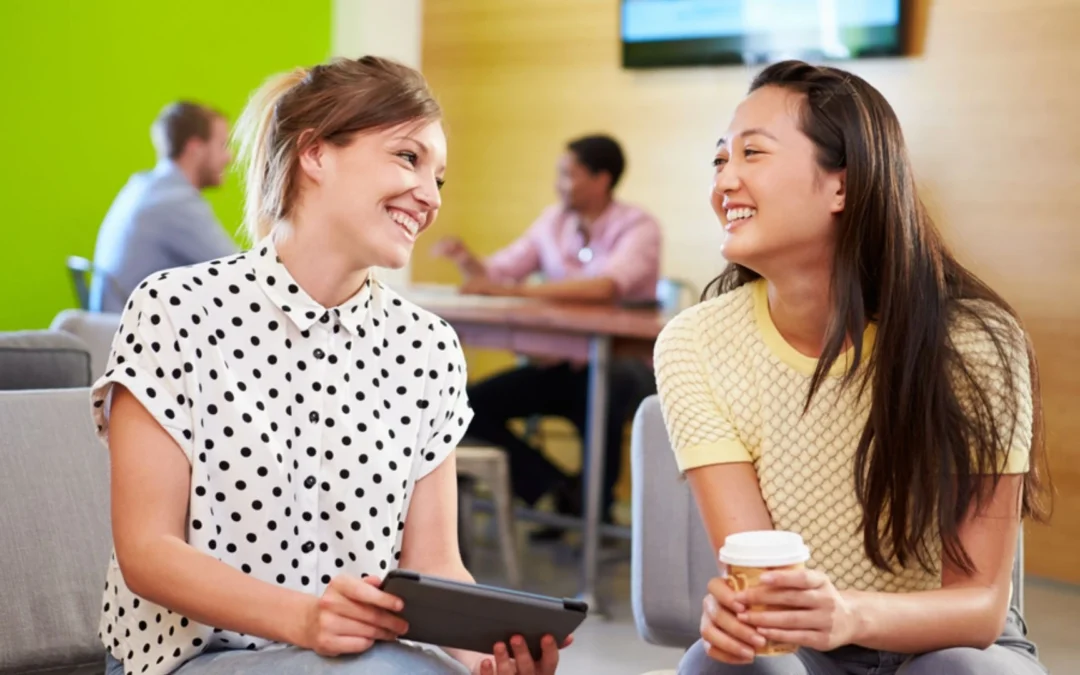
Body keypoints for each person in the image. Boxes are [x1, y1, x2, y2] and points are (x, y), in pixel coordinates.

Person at [94, 56, 568, 675]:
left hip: (360, 660)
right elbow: (147, 552)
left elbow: (435, 563)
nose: (429, 196)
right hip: (196, 659)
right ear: (314, 154)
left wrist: (482, 656)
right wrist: (304, 619)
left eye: (440, 177)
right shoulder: (174, 310)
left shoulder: (429, 346)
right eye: (408, 158)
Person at [654, 60, 1050, 675]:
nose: (724, 181)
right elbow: (760, 578)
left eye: (751, 154)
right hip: (804, 646)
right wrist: (742, 614)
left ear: (843, 184)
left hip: (949, 642)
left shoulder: (976, 341)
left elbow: (979, 605)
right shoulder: (695, 343)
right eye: (719, 160)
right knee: (723, 665)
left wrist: (850, 614)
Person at [433, 134, 661, 534]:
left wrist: (514, 290)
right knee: (466, 406)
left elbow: (605, 287)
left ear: (601, 179)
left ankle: (596, 511)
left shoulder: (638, 227)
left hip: (623, 365)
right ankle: (557, 489)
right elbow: (498, 273)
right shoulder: (553, 221)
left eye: (567, 174)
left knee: (605, 390)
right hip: (561, 365)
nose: (558, 183)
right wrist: (469, 262)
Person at [90, 101, 238, 313]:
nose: (229, 157)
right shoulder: (175, 203)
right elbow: (239, 274)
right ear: (195, 148)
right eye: (223, 145)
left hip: (117, 323)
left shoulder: (144, 187)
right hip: (133, 335)